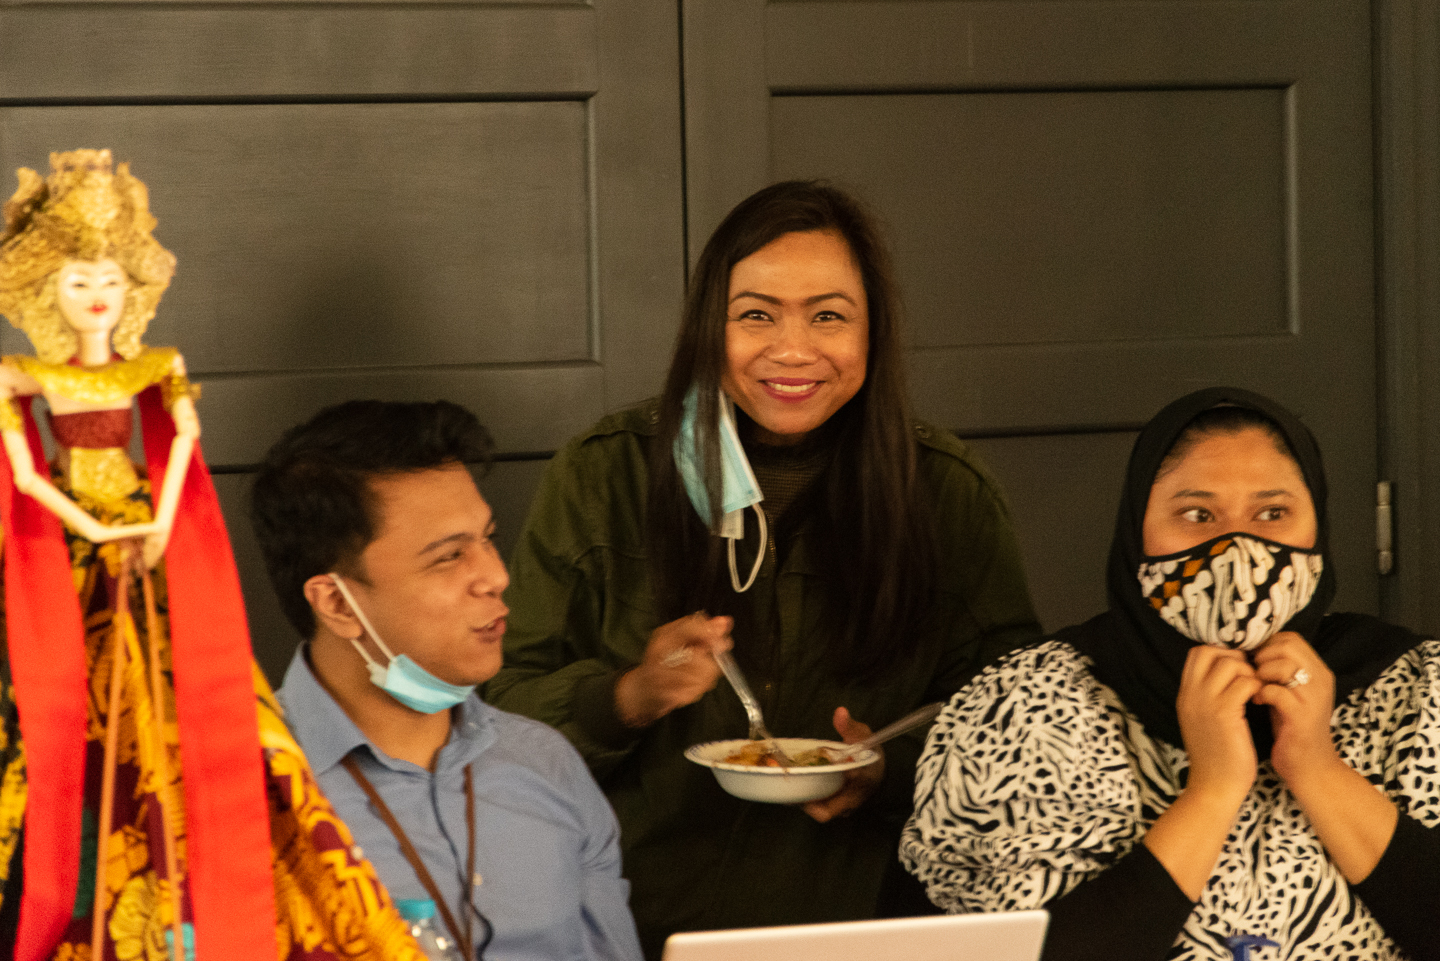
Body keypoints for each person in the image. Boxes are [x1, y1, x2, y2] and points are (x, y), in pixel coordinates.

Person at [485, 180, 1042, 956]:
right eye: (756, 315)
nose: (793, 349)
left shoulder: (947, 491)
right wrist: (629, 696)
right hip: (623, 924)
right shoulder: (605, 473)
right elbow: (496, 715)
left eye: (828, 316)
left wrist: (883, 769)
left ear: (873, 331)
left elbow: (1018, 724)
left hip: (862, 927)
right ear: (707, 329)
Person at [0, 150, 422, 961]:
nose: (96, 294)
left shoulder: (155, 366)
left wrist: (153, 525)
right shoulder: (25, 375)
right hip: (65, 552)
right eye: (79, 279)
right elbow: (24, 473)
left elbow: (180, 462)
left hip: (145, 543)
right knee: (56, 722)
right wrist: (89, 529)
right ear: (49, 288)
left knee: (206, 711)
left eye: (110, 278)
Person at [901, 387, 1440, 961]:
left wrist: (1317, 768)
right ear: (1138, 530)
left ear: (1317, 526)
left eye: (1272, 513)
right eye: (1197, 515)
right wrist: (1212, 791)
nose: (1237, 549)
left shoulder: (1413, 689)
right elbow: (1013, 952)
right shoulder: (1022, 706)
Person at [251, 399, 644, 961]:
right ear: (337, 603)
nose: (496, 576)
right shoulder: (245, 790)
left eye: (488, 539)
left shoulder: (546, 763)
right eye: (449, 556)